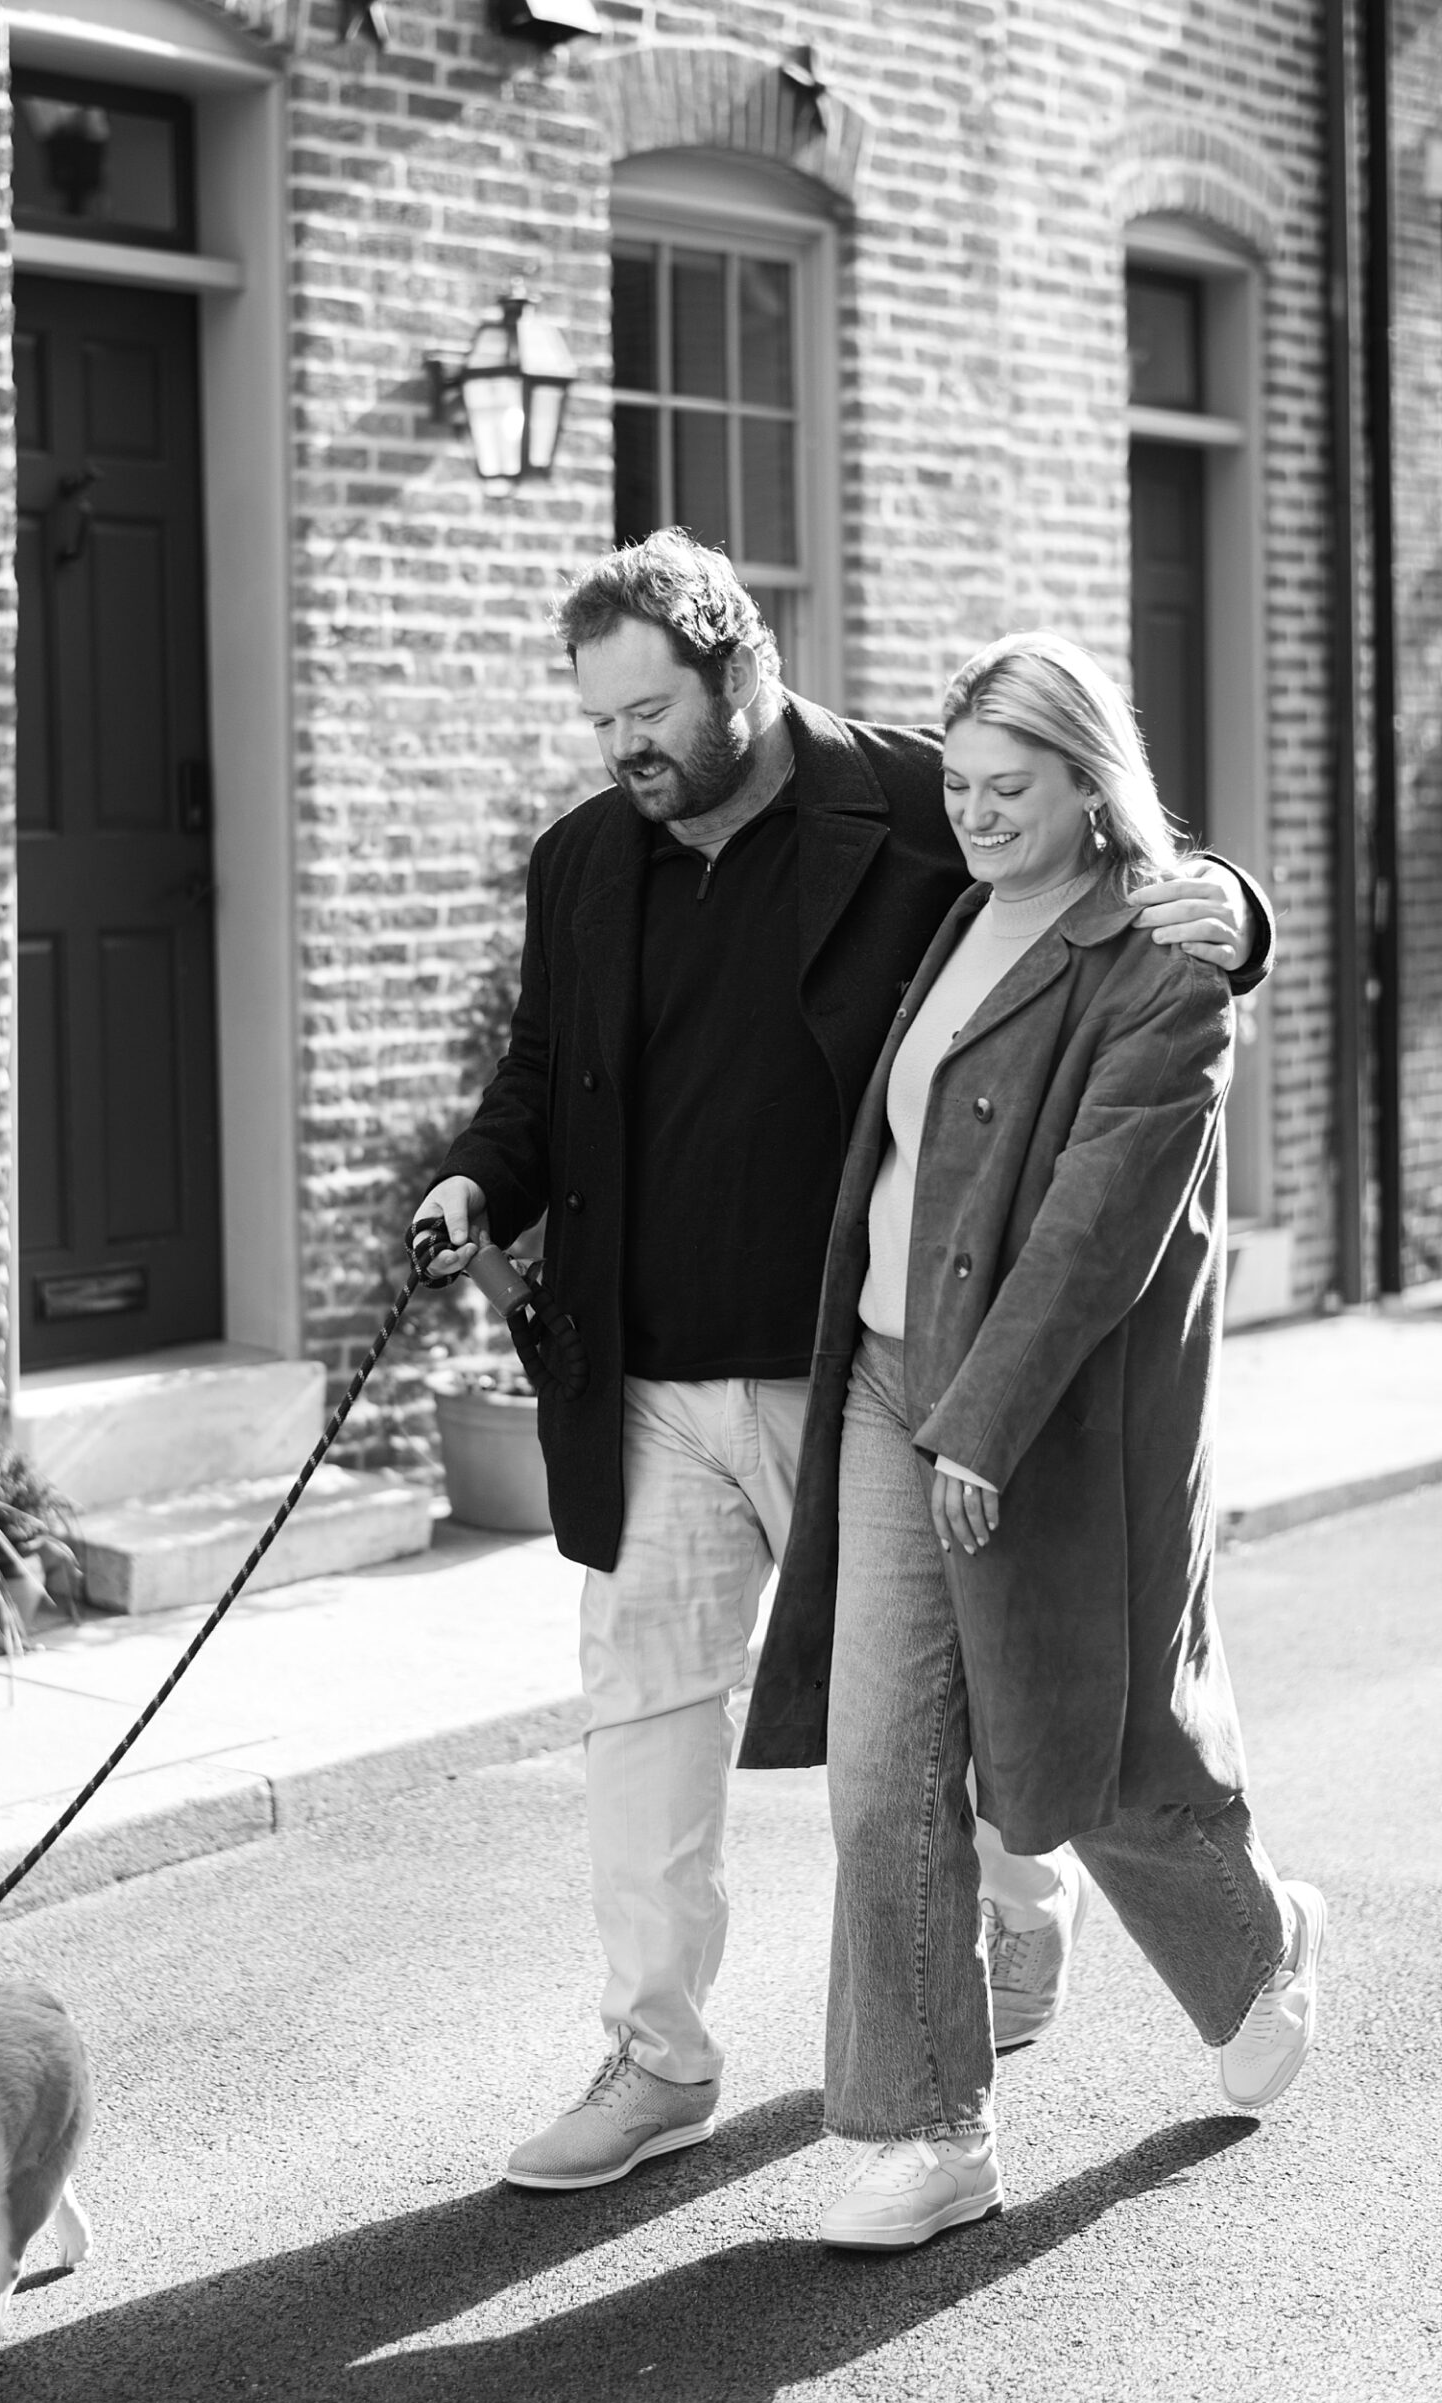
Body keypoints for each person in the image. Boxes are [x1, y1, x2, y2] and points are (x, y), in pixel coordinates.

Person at [412, 533, 1271, 2191]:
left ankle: (1024, 1922)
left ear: (740, 667)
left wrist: (1233, 913)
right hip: (644, 1379)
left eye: (648, 711)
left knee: (946, 1718)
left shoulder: (912, 800)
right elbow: (542, 1075)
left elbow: (1091, 865)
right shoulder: (587, 858)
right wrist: (477, 1174)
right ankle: (658, 2054)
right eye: (597, 722)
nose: (622, 750)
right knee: (644, 1712)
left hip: (862, 1370)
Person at [739, 631, 1323, 2250]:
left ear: (1092, 786)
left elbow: (1093, 1227)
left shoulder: (1158, 961)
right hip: (877, 1374)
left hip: (1040, 1414)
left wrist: (981, 1427)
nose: (977, 814)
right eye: (960, 784)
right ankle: (933, 2132)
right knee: (885, 1769)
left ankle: (1262, 1946)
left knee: (1089, 1753)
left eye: (1013, 789)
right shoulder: (955, 885)